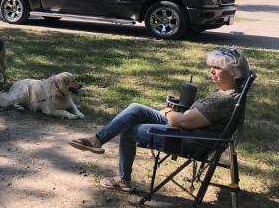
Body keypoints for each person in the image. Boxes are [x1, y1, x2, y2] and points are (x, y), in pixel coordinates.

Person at [69, 47, 250, 191]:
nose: (211, 71)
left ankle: (123, 179)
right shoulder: (227, 92)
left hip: (185, 139)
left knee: (129, 129)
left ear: (234, 72)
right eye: (211, 66)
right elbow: (199, 116)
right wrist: (181, 108)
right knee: (135, 108)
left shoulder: (224, 99)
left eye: (217, 68)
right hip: (185, 130)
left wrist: (167, 112)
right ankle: (96, 140)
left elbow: (184, 122)